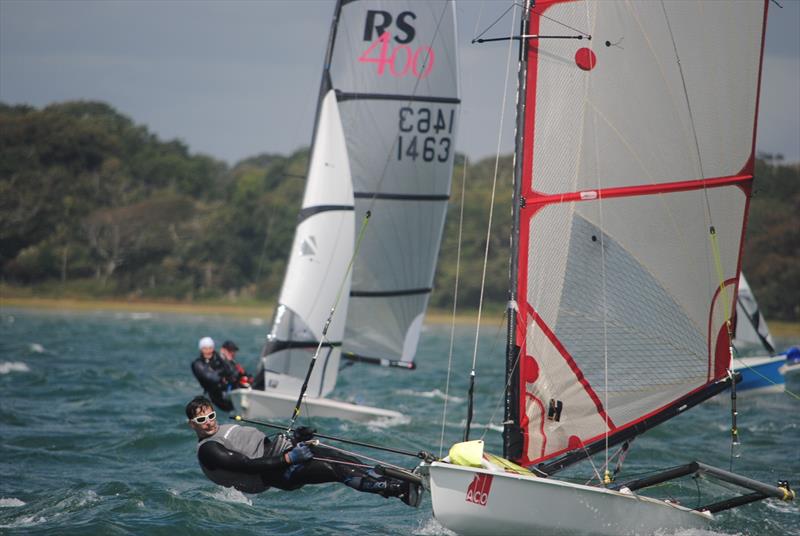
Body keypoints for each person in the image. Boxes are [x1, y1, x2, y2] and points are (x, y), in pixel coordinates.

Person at [185, 396, 421, 506]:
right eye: (202, 419)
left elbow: (261, 444)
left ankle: (398, 479)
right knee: (333, 468)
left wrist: (295, 439)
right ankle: (397, 490)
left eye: (211, 415)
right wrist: (288, 458)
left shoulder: (223, 428)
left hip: (280, 454)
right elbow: (247, 465)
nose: (209, 422)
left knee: (341, 457)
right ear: (192, 424)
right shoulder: (209, 450)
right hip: (275, 473)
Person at [191, 337, 234, 412]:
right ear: (201, 350)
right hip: (214, 395)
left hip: (228, 390)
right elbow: (212, 378)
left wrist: (226, 359)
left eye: (210, 348)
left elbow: (231, 371)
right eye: (205, 348)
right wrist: (223, 372)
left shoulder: (218, 358)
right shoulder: (198, 364)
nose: (208, 351)